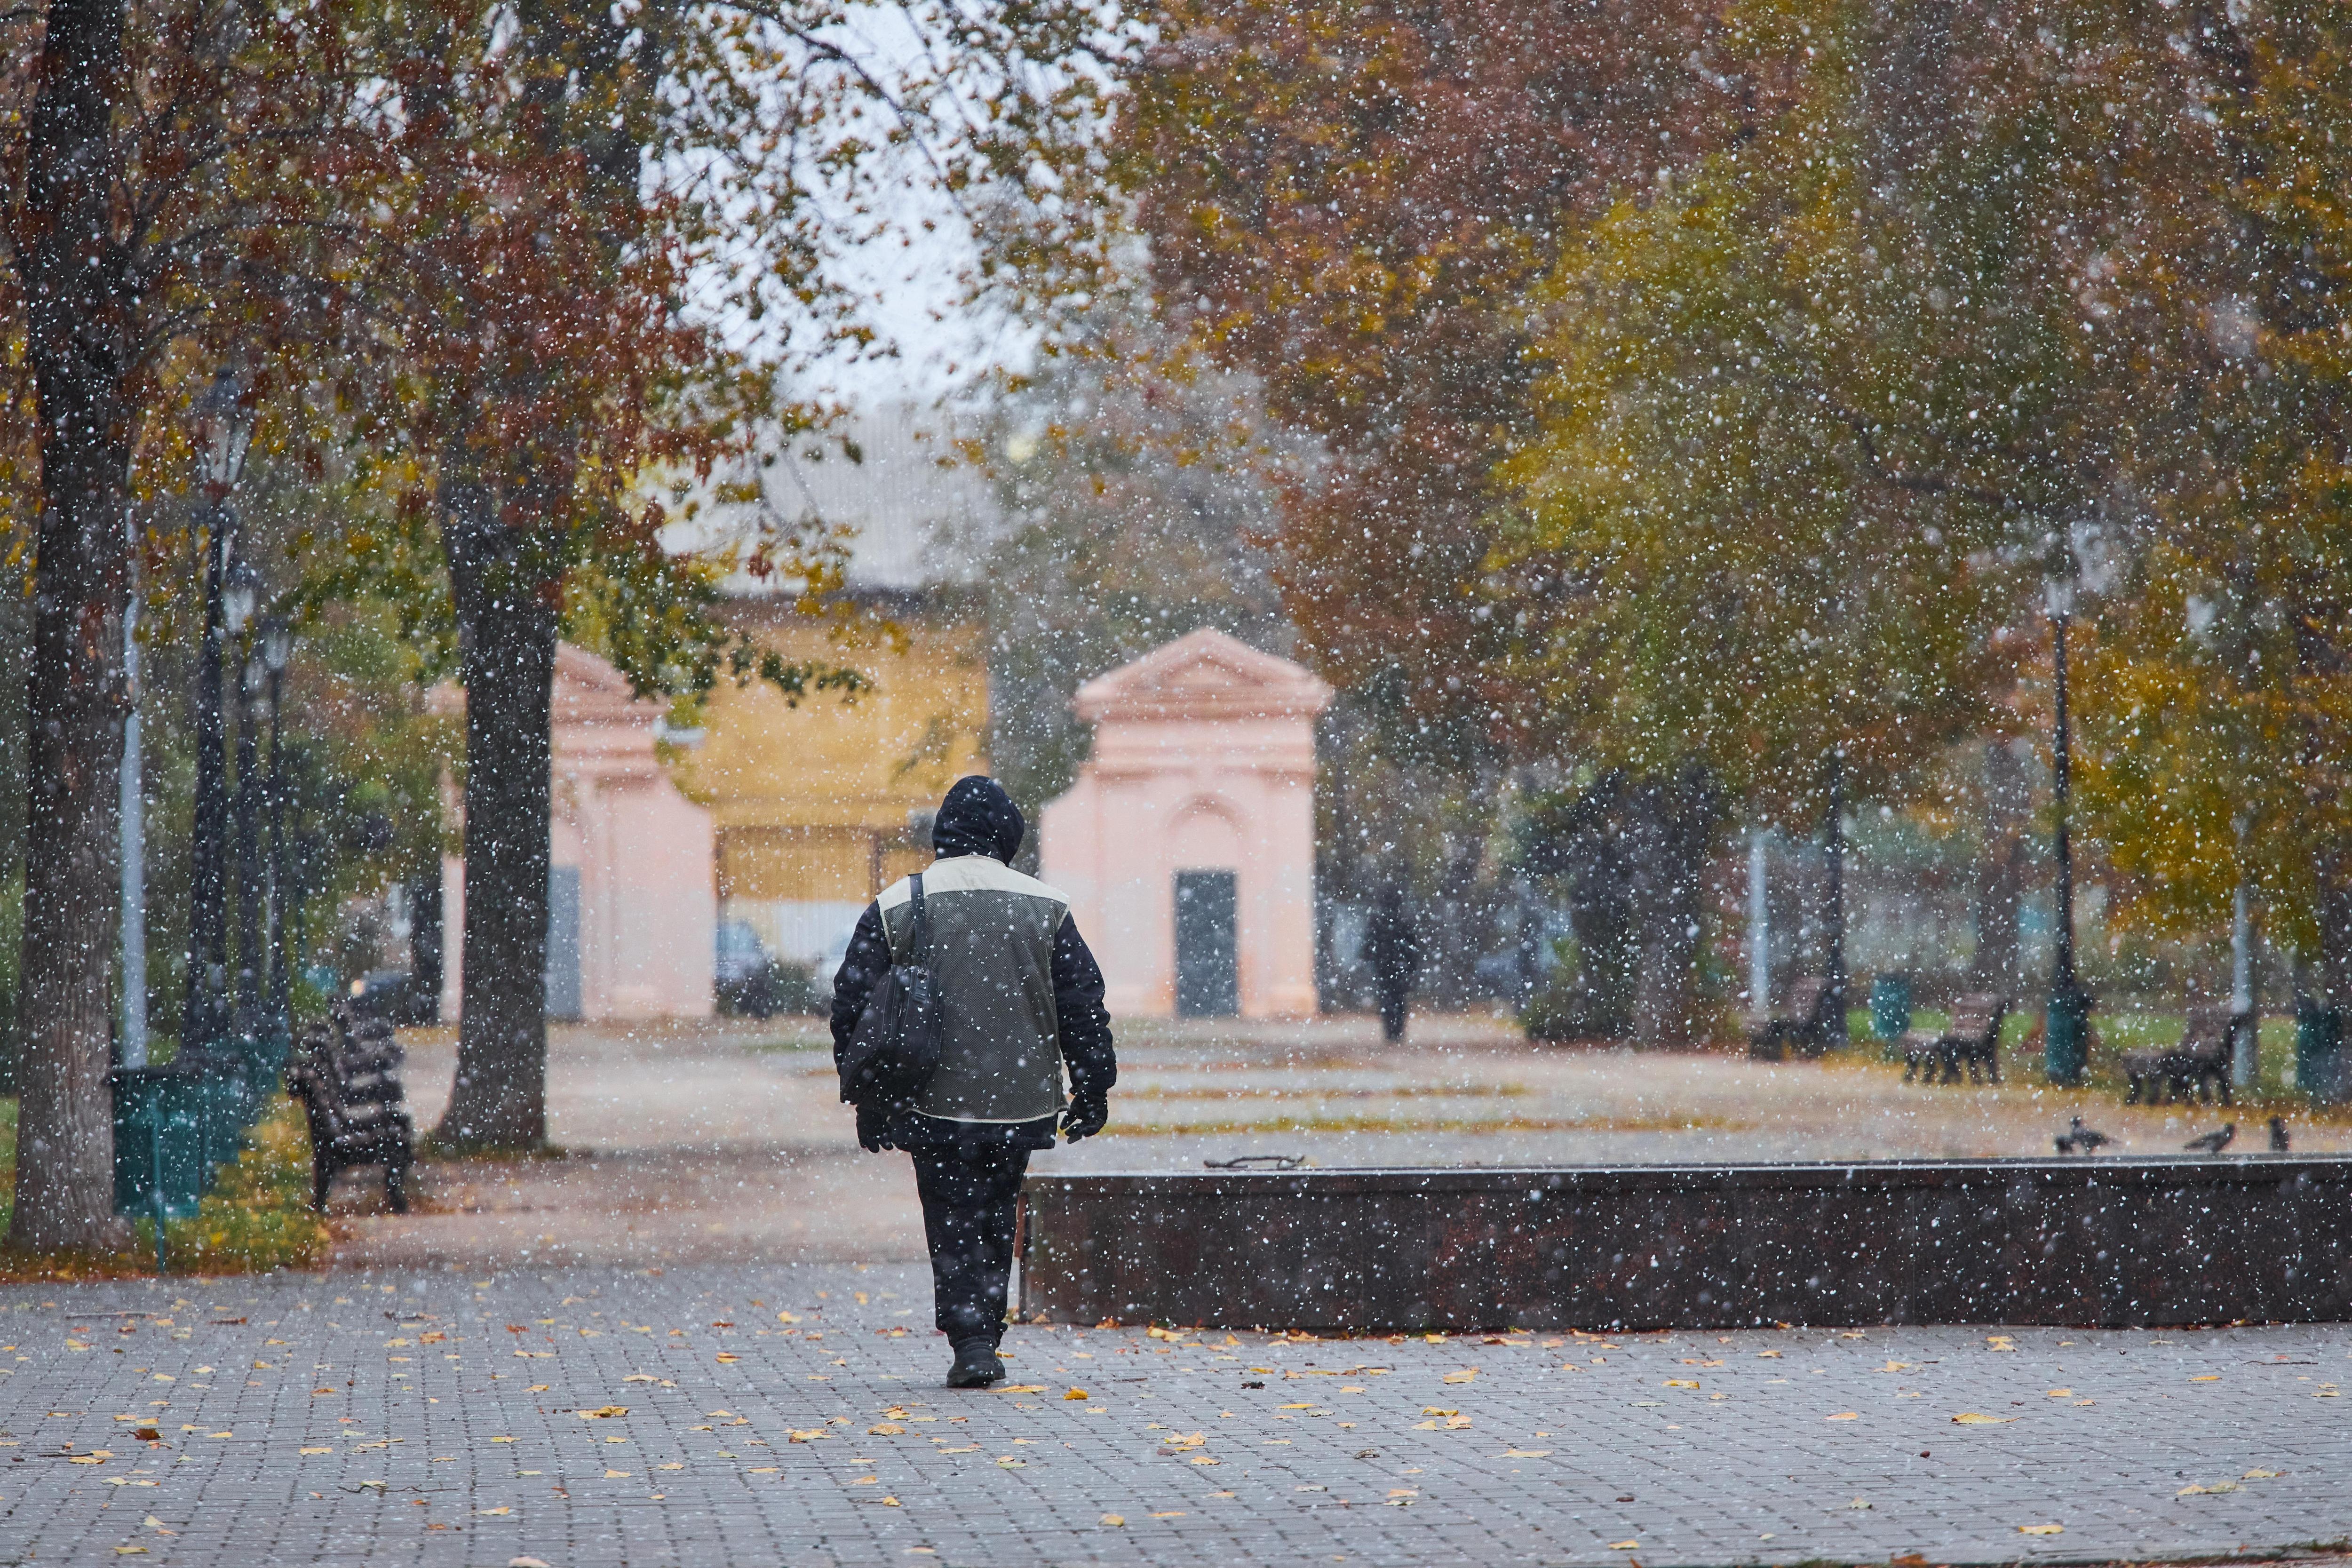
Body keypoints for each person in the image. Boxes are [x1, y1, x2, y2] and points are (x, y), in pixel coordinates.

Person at [830, 775, 1115, 1388]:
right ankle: (986, 1324)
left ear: (944, 832)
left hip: (931, 1096)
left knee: (950, 1213)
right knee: (995, 1211)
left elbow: (854, 1004)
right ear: (1006, 833)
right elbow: (1082, 1004)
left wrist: (868, 1098)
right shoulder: (1046, 905)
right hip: (1022, 1097)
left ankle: (971, 1335)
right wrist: (1094, 1085)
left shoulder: (900, 903)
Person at [1364, 885, 1421, 1043]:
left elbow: (1369, 945)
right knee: (1398, 999)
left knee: (1388, 998)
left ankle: (1392, 1030)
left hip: (1386, 966)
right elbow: (1412, 946)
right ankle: (1396, 1030)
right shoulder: (1403, 921)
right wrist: (1410, 965)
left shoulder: (1378, 921)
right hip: (1397, 966)